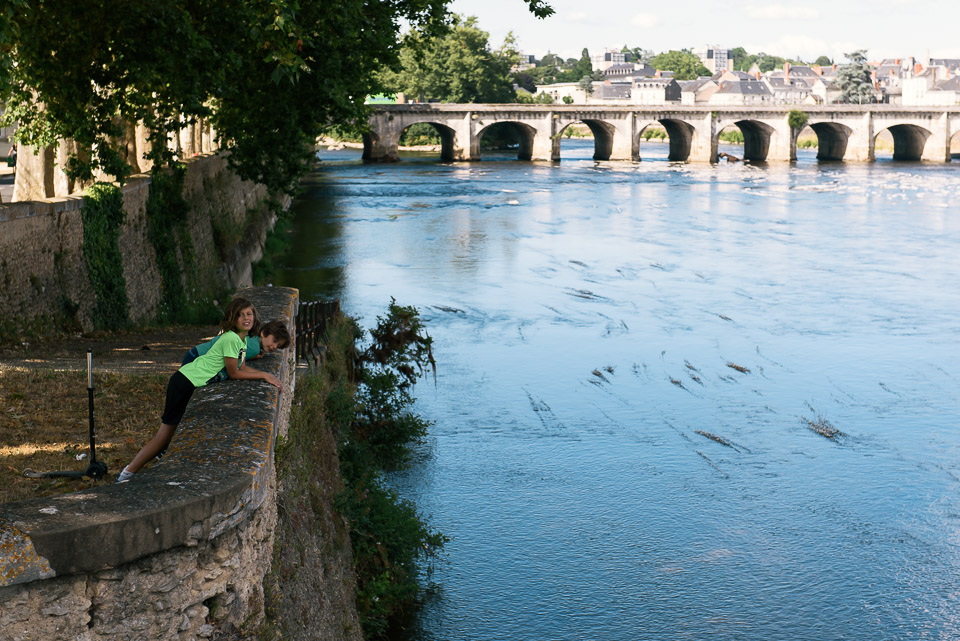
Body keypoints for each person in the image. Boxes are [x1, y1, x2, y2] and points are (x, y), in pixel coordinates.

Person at [115, 298, 284, 482]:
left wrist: (266, 375)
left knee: (170, 434)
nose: (246, 318)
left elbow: (242, 367)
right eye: (240, 314)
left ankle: (139, 468)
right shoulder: (231, 339)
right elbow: (234, 373)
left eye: (249, 314)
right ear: (232, 318)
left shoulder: (241, 340)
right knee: (163, 437)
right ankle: (127, 473)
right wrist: (263, 376)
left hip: (189, 381)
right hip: (185, 381)